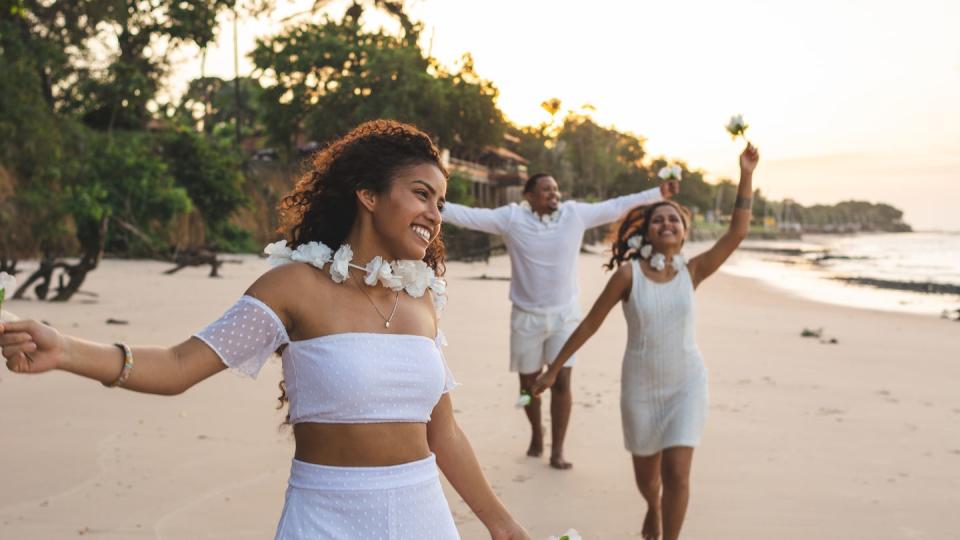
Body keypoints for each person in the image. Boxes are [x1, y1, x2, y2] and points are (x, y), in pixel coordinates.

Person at [1, 120, 530, 540]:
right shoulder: (292, 288)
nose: (434, 214)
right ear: (368, 195)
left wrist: (501, 523)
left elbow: (444, 433)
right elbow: (179, 365)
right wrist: (66, 349)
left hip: (424, 517)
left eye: (440, 201)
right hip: (326, 517)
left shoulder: (421, 303)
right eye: (422, 194)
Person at [532, 144, 760, 539]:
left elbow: (737, 231)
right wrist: (553, 369)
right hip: (640, 387)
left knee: (678, 473)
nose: (667, 223)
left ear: (684, 232)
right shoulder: (627, 275)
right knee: (647, 478)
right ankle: (652, 506)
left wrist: (746, 173)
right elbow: (589, 324)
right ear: (647, 232)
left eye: (674, 219)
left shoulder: (694, 271)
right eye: (659, 220)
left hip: (687, 383)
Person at [442, 173, 679, 469]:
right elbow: (469, 216)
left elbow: (617, 206)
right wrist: (433, 204)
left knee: (562, 381)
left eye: (555, 189)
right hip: (525, 317)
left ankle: (558, 450)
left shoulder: (574, 214)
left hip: (565, 316)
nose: (554, 194)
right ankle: (536, 434)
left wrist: (659, 192)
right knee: (528, 386)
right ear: (529, 195)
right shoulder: (511, 218)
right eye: (546, 190)